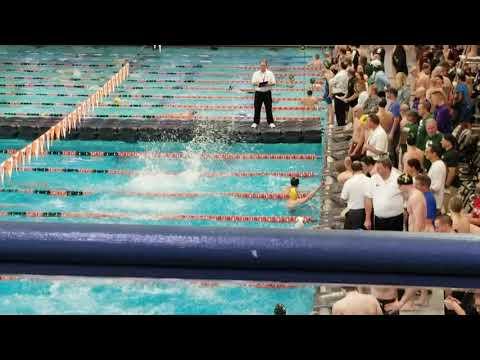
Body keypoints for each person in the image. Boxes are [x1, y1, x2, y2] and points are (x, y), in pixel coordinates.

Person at [365, 158, 404, 231]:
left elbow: (406, 195)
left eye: (379, 168)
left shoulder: (398, 178)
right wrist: (367, 219)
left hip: (396, 219)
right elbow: (368, 198)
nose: (376, 170)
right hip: (378, 220)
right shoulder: (373, 179)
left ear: (386, 168)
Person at [341, 161, 371, 230]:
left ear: (352, 170)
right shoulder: (369, 180)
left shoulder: (348, 182)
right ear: (362, 168)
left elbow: (343, 199)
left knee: (351, 237)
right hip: (367, 212)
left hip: (353, 212)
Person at [251, 59, 276, 129]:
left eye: (264, 65)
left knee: (268, 108)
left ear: (266, 66)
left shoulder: (270, 73)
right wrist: (261, 84)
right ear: (259, 66)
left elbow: (273, 83)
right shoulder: (255, 73)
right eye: (261, 65)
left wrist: (266, 84)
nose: (262, 66)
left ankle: (271, 122)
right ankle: (255, 122)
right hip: (258, 93)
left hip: (267, 93)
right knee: (257, 108)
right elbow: (253, 82)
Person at [441, 134, 460, 213]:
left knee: (448, 209)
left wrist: (446, 185)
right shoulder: (448, 153)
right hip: (449, 185)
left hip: (451, 186)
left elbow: (452, 171)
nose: (441, 141)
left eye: (443, 140)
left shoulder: (452, 154)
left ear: (448, 142)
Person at [426, 144, 447, 215]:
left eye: (427, 152)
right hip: (434, 202)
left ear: (434, 154)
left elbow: (436, 187)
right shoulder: (436, 164)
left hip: (434, 203)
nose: (425, 153)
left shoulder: (437, 166)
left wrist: (422, 188)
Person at [329, 61, 349, 126]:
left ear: (340, 66)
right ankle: (342, 125)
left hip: (338, 95)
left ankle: (340, 126)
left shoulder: (339, 74)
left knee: (338, 112)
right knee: (342, 112)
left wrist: (330, 93)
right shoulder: (346, 73)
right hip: (345, 94)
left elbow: (331, 82)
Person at [386, 87, 402, 166]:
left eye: (388, 92)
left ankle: (394, 166)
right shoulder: (391, 104)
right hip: (390, 129)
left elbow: (396, 119)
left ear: (391, 94)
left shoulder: (396, 104)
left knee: (393, 151)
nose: (386, 94)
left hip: (395, 131)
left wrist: (392, 132)